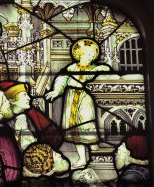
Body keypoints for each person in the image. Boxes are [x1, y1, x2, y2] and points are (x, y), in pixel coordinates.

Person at [46, 38, 111, 168]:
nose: (92, 56)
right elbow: (62, 80)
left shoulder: (95, 68)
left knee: (86, 122)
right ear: (80, 54)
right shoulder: (71, 68)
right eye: (89, 54)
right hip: (71, 99)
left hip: (86, 98)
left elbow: (103, 75)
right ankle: (82, 158)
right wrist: (56, 91)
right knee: (74, 129)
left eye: (93, 55)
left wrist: (102, 69)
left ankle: (94, 147)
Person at [0, 80, 63, 151]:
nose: (29, 98)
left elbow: (54, 136)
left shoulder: (33, 113)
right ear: (13, 100)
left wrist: (37, 143)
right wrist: (16, 134)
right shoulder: (3, 121)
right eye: (24, 95)